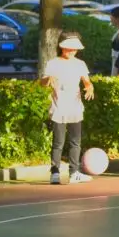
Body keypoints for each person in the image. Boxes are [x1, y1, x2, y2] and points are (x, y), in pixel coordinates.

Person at [41, 33, 95, 185]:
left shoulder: (80, 64)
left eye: (74, 49)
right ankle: (55, 173)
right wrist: (47, 79)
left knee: (75, 142)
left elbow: (87, 82)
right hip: (59, 108)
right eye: (69, 49)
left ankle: (74, 172)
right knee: (58, 142)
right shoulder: (53, 63)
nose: (72, 52)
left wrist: (89, 88)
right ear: (62, 47)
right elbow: (43, 83)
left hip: (75, 108)